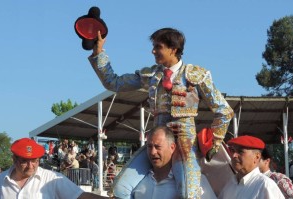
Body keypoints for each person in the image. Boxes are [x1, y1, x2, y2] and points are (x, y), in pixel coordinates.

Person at [88, 27, 234, 198]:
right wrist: (98, 52)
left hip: (185, 144)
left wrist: (212, 145)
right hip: (157, 142)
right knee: (120, 189)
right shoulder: (152, 75)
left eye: (158, 47)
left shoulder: (196, 75)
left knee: (189, 195)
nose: (153, 51)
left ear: (174, 49)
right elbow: (114, 83)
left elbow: (224, 111)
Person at [0, 137, 108, 199]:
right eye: (24, 161)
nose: (31, 166)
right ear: (14, 159)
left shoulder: (52, 178)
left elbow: (80, 196)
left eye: (35, 161)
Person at [132, 126, 216, 199]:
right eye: (149, 147)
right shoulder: (137, 181)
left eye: (158, 147)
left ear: (172, 147)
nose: (153, 152)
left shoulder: (195, 182)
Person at [218, 135, 285, 199]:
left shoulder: (265, 185)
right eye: (232, 151)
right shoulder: (230, 184)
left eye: (240, 152)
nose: (234, 155)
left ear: (256, 157)